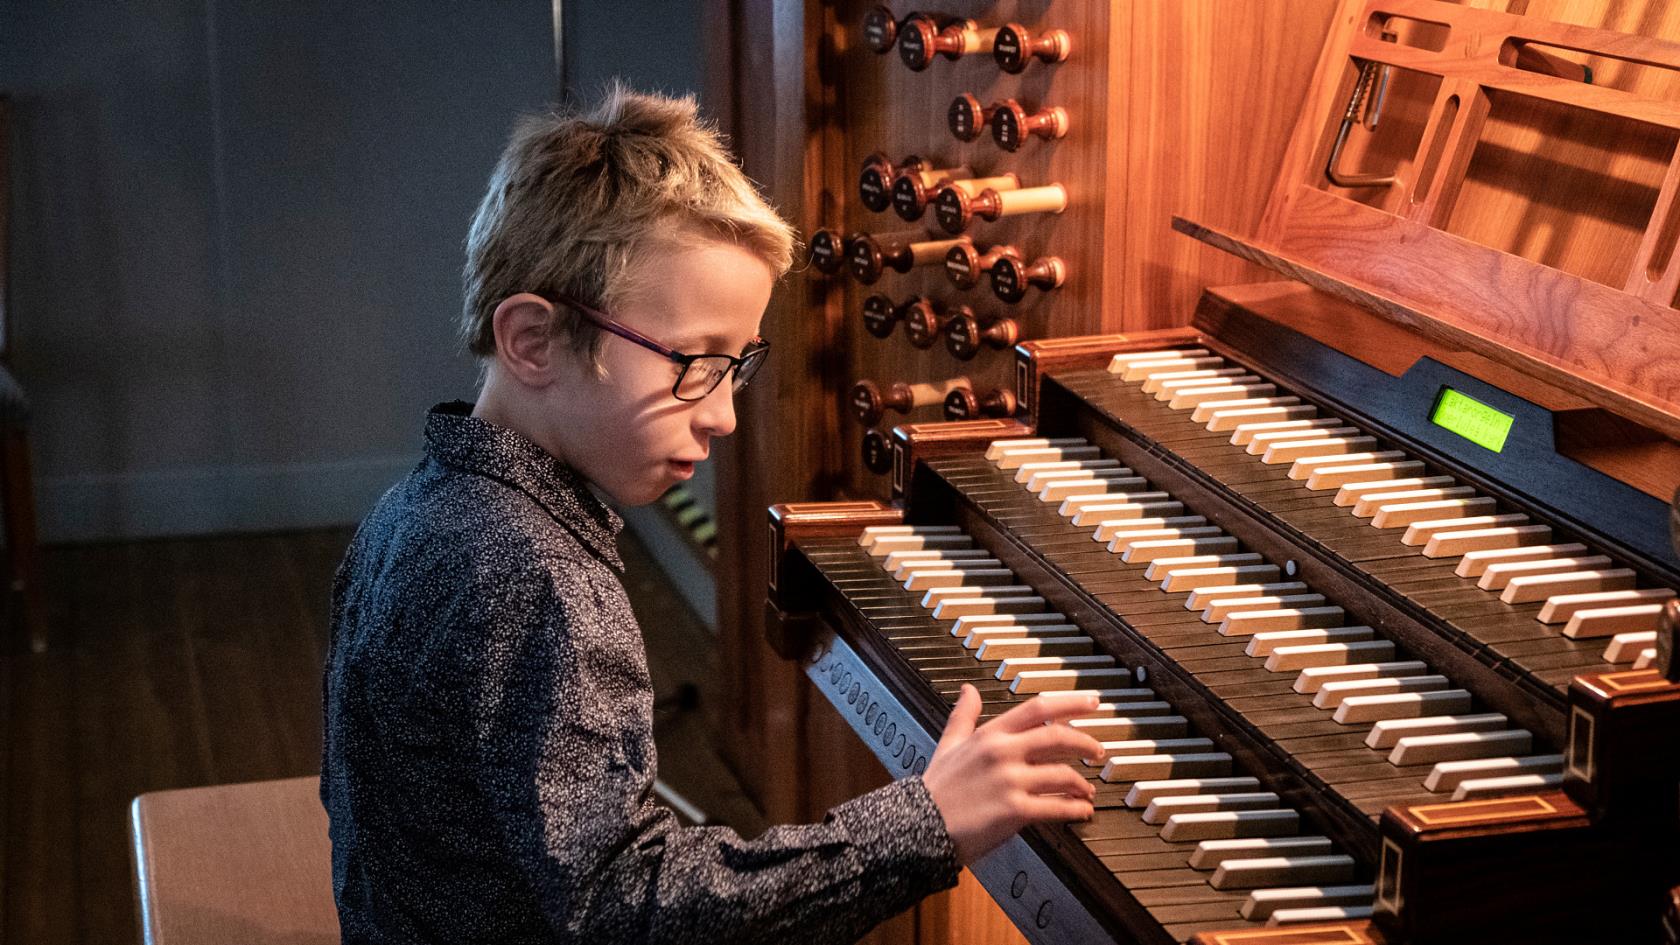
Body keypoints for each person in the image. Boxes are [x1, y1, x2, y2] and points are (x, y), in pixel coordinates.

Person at [320, 82, 1107, 945]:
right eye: (694, 363)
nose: (725, 414)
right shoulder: (538, 575)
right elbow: (630, 910)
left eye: (740, 365)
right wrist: (929, 818)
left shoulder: (414, 508)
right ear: (534, 340)